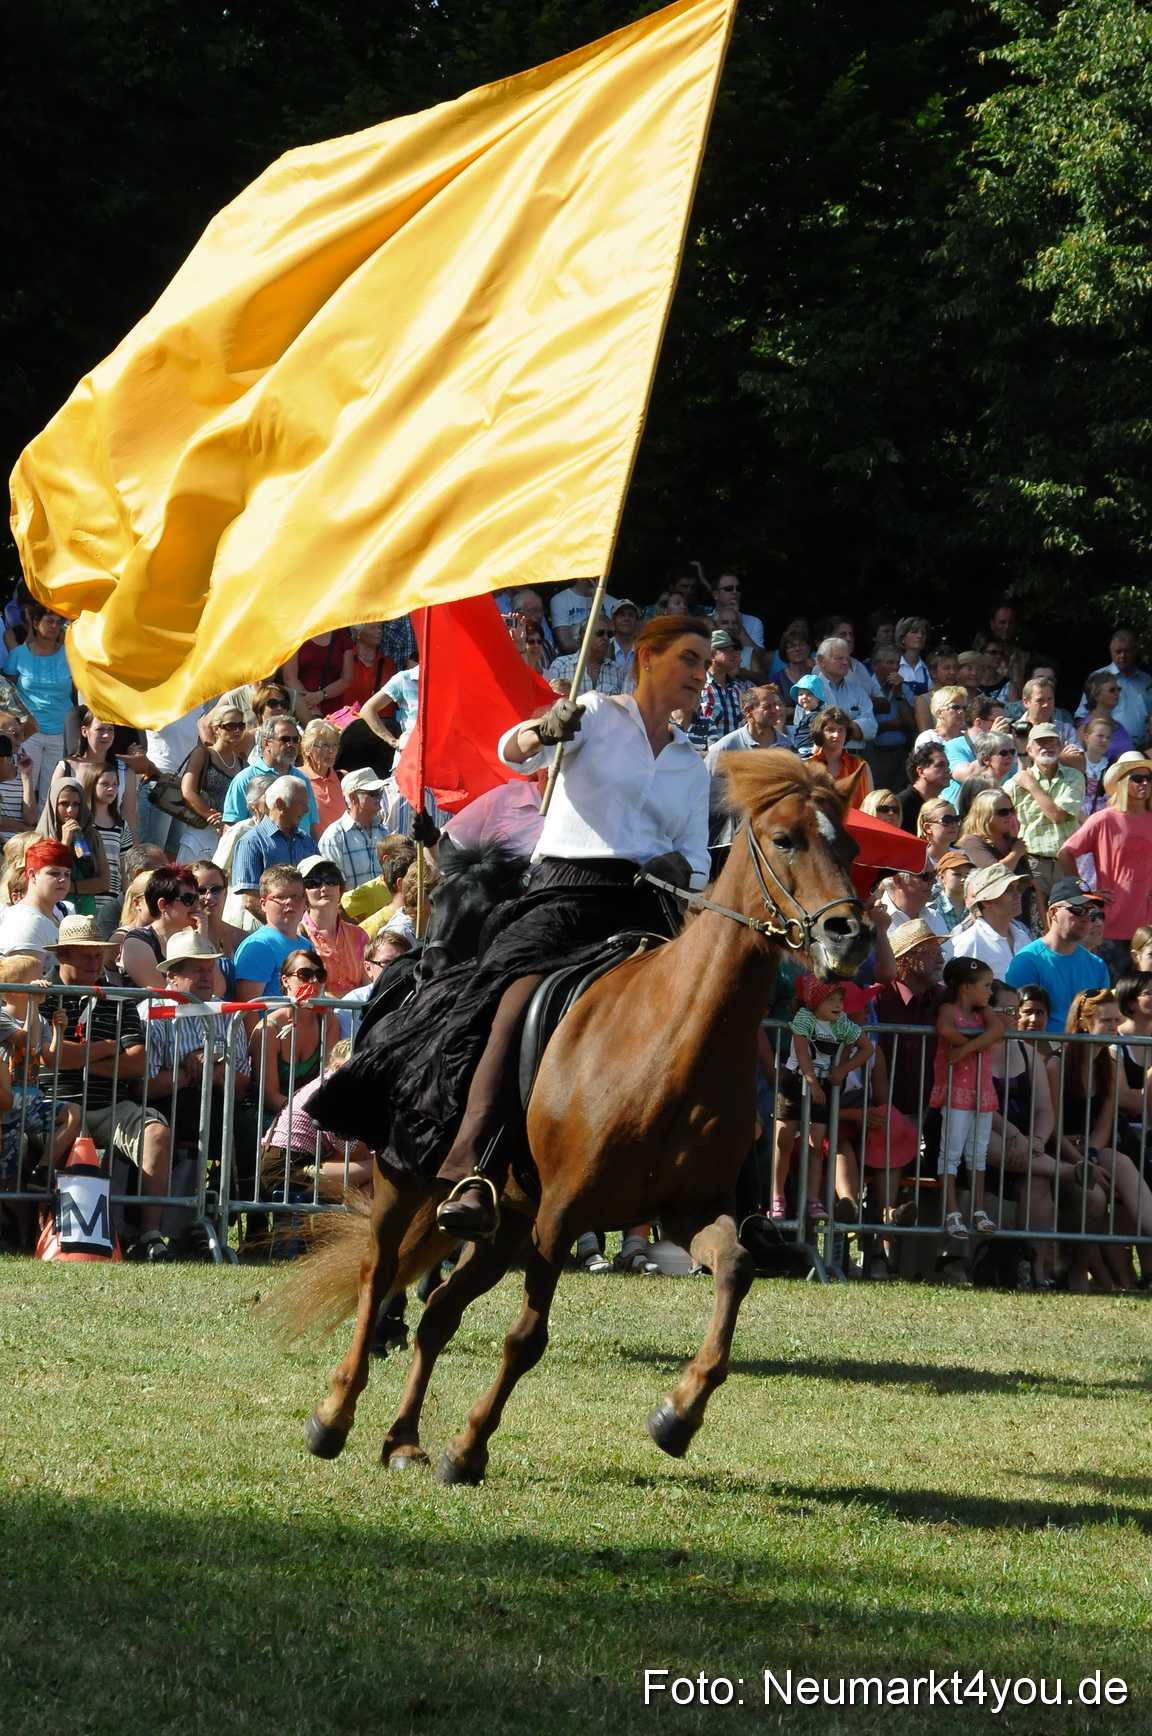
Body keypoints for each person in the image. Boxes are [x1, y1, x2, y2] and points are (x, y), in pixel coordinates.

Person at [322, 616, 714, 1241]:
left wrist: (684, 865)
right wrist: (540, 730)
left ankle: (729, 1198)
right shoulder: (594, 711)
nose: (700, 673)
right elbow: (513, 750)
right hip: (567, 891)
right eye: (689, 658)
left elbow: (698, 855)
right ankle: (473, 1165)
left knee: (713, 1014)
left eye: (706, 661)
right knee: (513, 998)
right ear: (647, 657)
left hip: (649, 905)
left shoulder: (695, 763)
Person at [41, 915, 177, 1260]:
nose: (94, 961)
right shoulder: (40, 995)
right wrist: (106, 1047)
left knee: (157, 1133)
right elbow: (48, 1060)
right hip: (54, 1105)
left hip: (114, 1107)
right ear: (63, 956)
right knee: (75, 1125)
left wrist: (75, 1056)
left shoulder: (119, 998)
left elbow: (137, 1064)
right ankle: (55, 1231)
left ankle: (150, 1236)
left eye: (98, 953)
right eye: (84, 954)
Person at [772, 975, 874, 1223]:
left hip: (823, 1084)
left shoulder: (841, 1023)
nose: (838, 1004)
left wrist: (842, 1069)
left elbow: (867, 1048)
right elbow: (801, 1050)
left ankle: (812, 1198)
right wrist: (811, 1081)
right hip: (797, 1082)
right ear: (816, 1001)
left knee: (816, 1146)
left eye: (840, 999)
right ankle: (777, 1196)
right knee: (784, 1141)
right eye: (831, 999)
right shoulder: (805, 1018)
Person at [144, 930, 251, 1151]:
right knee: (159, 1135)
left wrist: (216, 1064)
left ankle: (237, 1187)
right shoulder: (151, 1013)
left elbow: (240, 1090)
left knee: (248, 1133)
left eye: (210, 969)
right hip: (160, 1106)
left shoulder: (227, 1014)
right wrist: (193, 1072)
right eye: (198, 970)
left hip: (216, 1103)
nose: (207, 977)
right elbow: (143, 1088)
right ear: (172, 976)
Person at [1059, 755, 1152, 980]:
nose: (1145, 784)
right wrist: (1085, 893)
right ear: (1122, 782)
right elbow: (1065, 854)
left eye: (1149, 778)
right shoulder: (1103, 819)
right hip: (1111, 925)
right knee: (1111, 996)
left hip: (1147, 930)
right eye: (1137, 778)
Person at [930, 956, 1003, 1239]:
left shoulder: (984, 1013)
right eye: (986, 985)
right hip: (957, 1093)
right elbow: (946, 1029)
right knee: (951, 1152)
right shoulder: (949, 1009)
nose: (990, 992)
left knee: (978, 1153)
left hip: (981, 1092)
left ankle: (979, 1210)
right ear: (966, 988)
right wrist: (973, 1045)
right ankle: (951, 1212)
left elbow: (998, 1030)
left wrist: (965, 1049)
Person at [1005, 876, 1110, 1028]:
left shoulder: (1097, 965)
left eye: (1091, 911)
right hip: (1040, 1050)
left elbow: (1103, 1019)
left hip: (1084, 1050)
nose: (1087, 918)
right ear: (1053, 912)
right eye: (1078, 910)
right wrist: (1052, 1052)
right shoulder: (1027, 962)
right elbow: (1018, 1024)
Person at [251, 946, 341, 1116]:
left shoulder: (328, 1020)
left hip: (315, 1110)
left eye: (320, 975)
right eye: (305, 975)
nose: (314, 980)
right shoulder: (268, 1030)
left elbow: (328, 1079)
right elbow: (269, 1096)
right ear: (285, 981)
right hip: (272, 1115)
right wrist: (306, 1115)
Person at [1006, 723, 1086, 909]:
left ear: (1060, 747)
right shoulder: (1014, 785)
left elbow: (1058, 816)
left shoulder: (1074, 777)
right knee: (1036, 924)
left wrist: (1032, 786)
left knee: (1069, 921)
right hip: (1032, 864)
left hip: (1065, 863)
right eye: (1040, 742)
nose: (1047, 746)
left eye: (1052, 741)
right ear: (1030, 750)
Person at [873, 920, 946, 1116]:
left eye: (941, 953)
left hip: (932, 1114)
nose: (941, 960)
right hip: (884, 1113)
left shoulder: (944, 998)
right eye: (932, 953)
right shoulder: (879, 995)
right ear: (905, 959)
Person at [5, 606, 72, 801]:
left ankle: (47, 832)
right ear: (35, 623)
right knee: (21, 788)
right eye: (49, 621)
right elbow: (8, 693)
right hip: (29, 732)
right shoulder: (18, 654)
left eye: (58, 623)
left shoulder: (70, 654)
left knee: (53, 793)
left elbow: (79, 692)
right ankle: (22, 832)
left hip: (61, 731)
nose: (54, 626)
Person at [52, 709, 140, 843]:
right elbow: (53, 810)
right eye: (100, 729)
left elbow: (129, 814)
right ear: (84, 731)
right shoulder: (66, 767)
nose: (106, 735)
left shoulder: (125, 771)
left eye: (110, 730)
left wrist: (132, 853)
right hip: (75, 842)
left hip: (112, 842)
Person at [229, 777, 314, 915]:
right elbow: (251, 901)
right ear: (280, 804)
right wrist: (283, 929)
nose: (307, 809)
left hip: (301, 930)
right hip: (266, 929)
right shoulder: (251, 842)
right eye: (301, 803)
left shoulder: (306, 840)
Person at [176, 702, 247, 864]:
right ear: (216, 729)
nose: (237, 730)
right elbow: (187, 791)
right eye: (230, 726)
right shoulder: (202, 753)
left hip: (228, 836)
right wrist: (212, 817)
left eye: (241, 726)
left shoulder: (243, 763)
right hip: (199, 831)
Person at [221, 720, 320, 836]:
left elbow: (311, 825)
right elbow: (231, 828)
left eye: (295, 739)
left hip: (301, 852)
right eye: (284, 739)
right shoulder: (245, 778)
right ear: (266, 743)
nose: (291, 745)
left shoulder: (301, 779)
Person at [118, 864, 199, 990]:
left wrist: (202, 937)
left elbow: (218, 990)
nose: (196, 905)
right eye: (188, 899)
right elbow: (163, 993)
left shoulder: (192, 936)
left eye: (196, 898)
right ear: (163, 905)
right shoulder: (136, 942)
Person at [36, 776, 110, 913]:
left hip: (86, 911)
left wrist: (69, 886)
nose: (70, 810)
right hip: (54, 911)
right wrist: (64, 844)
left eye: (76, 804)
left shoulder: (92, 836)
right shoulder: (40, 838)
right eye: (64, 804)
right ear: (53, 804)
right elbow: (45, 880)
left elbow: (104, 882)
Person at [233, 867, 306, 1003]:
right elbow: (248, 1010)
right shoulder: (258, 947)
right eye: (280, 897)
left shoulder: (306, 944)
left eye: (296, 896)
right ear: (263, 904)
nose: (289, 902)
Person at [298, 856, 366, 997]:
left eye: (331, 881)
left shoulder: (359, 935)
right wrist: (353, 997)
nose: (324, 888)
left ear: (340, 887)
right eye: (314, 883)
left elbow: (370, 987)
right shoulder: (297, 936)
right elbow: (304, 993)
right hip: (319, 1017)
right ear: (302, 893)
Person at [1076, 629, 1152, 750]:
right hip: (1108, 749)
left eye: (1127, 651)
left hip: (1145, 749)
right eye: (1118, 651)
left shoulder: (1146, 680)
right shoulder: (1098, 678)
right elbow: (1082, 716)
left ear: (1135, 651)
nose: (1122, 656)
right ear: (1110, 652)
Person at [949, 863, 1031, 976]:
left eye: (1017, 887)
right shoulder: (969, 943)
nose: (1018, 894)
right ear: (986, 901)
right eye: (1008, 889)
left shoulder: (1023, 938)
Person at [0, 839, 73, 962]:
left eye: (67, 874)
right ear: (32, 875)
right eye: (54, 873)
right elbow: (23, 979)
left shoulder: (52, 917)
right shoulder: (26, 920)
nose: (63, 879)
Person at [317, 768, 389, 890]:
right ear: (353, 797)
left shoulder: (384, 832)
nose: (379, 796)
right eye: (372, 793)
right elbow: (333, 886)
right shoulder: (334, 836)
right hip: (351, 909)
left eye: (380, 791)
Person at [189, 859, 246, 997]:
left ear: (225, 892)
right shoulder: (184, 936)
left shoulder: (242, 937)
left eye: (216, 890)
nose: (209, 897)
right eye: (201, 891)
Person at [810, 637, 877, 742]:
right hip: (821, 756)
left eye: (847, 658)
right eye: (839, 658)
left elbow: (871, 728)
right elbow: (807, 728)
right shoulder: (809, 692)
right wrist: (853, 725)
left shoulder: (857, 691)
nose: (845, 662)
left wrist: (832, 726)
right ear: (821, 660)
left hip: (854, 756)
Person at [690, 631, 752, 745]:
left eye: (733, 650)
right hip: (706, 755)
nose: (733, 654)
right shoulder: (698, 688)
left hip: (734, 757)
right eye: (727, 650)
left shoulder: (739, 691)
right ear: (712, 655)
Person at [548, 615, 630, 698]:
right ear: (585, 636)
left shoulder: (619, 671)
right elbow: (548, 701)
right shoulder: (561, 666)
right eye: (600, 633)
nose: (605, 637)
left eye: (609, 634)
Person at [281, 630, 355, 718]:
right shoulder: (297, 633)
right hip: (301, 707)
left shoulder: (342, 636)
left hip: (334, 709)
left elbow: (346, 680)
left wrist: (321, 695)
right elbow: (290, 678)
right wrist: (310, 705)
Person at [808, 707, 873, 804]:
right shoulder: (808, 766)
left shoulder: (861, 766)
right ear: (820, 732)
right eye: (830, 730)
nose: (836, 735)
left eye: (841, 730)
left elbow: (871, 805)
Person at [550, 577, 621, 654]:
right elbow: (566, 645)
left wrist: (598, 605)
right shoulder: (560, 600)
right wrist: (597, 645)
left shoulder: (614, 603)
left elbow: (614, 641)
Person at [299, 719, 345, 836]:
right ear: (307, 749)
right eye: (325, 745)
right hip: (312, 851)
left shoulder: (343, 778)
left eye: (334, 745)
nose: (331, 751)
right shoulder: (298, 779)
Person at [1077, 670, 1136, 761]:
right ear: (1096, 695)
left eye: (1118, 689)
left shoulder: (1118, 726)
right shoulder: (1085, 727)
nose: (1117, 693)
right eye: (1111, 690)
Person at [896, 742, 950, 834]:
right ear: (921, 772)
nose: (948, 769)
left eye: (947, 765)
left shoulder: (942, 806)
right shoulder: (900, 805)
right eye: (940, 765)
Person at [343, 623, 396, 713]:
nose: (379, 631)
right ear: (356, 633)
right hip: (347, 724)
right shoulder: (344, 661)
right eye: (372, 628)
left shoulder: (389, 665)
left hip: (381, 724)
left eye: (380, 628)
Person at [913, 646, 961, 734]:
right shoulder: (924, 700)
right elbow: (926, 734)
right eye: (946, 668)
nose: (952, 672)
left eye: (955, 668)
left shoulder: (962, 698)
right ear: (933, 672)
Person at [929, 850, 973, 932]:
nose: (964, 879)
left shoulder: (975, 908)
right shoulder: (933, 910)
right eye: (957, 874)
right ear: (942, 877)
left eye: (967, 874)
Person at [918, 796, 961, 867]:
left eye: (956, 819)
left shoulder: (963, 856)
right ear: (928, 828)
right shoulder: (917, 861)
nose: (953, 825)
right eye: (946, 820)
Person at [893, 615, 931, 694]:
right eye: (914, 632)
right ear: (902, 638)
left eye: (923, 633)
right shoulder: (894, 666)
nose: (920, 636)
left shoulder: (928, 669)